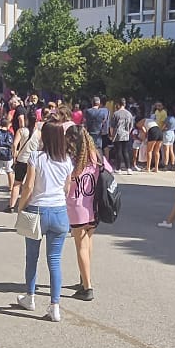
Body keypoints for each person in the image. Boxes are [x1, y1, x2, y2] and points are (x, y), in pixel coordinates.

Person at [13, 121, 74, 322]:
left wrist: (20, 207)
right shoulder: (66, 160)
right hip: (59, 212)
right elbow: (66, 189)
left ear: (45, 137)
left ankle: (30, 297)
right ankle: (55, 306)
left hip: (37, 210)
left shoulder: (36, 157)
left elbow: (28, 186)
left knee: (32, 257)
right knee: (54, 261)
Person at [64, 126, 107, 302]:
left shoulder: (72, 160)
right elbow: (108, 172)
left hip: (76, 207)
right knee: (88, 242)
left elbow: (66, 183)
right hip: (94, 205)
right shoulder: (96, 156)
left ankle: (87, 287)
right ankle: (84, 277)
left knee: (80, 245)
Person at [8, 112, 36, 212]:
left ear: (27, 119)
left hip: (21, 159)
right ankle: (26, 205)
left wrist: (14, 154)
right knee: (30, 184)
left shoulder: (21, 131)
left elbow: (15, 144)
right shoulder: (39, 133)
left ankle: (11, 205)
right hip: (33, 161)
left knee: (17, 183)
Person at [0, 116, 17, 202]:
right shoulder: (10, 133)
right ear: (8, 125)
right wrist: (14, 155)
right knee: (9, 171)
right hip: (8, 155)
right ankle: (10, 188)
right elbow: (12, 144)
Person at [111, 100, 136, 170]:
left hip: (117, 134)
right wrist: (128, 132)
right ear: (124, 104)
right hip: (126, 134)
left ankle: (118, 168)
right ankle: (128, 168)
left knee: (118, 151)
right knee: (125, 151)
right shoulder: (129, 114)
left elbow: (112, 126)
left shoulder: (116, 114)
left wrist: (111, 135)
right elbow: (131, 126)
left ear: (119, 105)